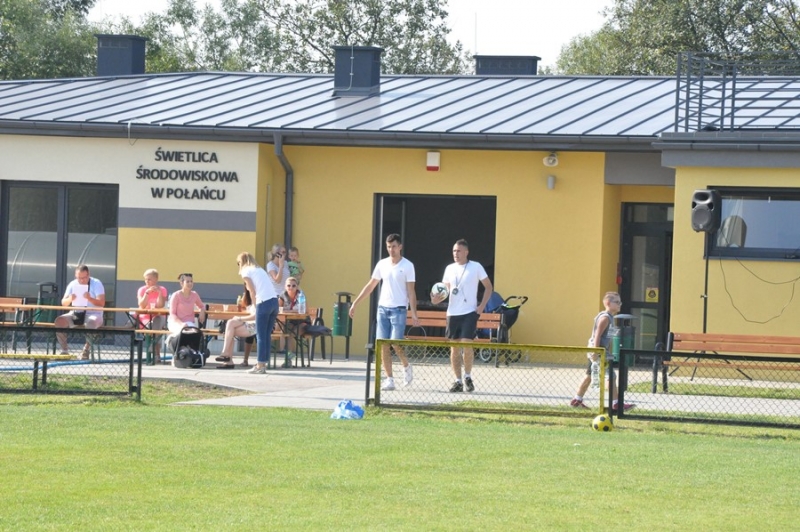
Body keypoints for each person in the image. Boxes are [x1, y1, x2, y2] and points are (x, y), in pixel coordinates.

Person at [349, 233, 419, 391]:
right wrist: (356, 303)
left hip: (399, 309)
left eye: (394, 246)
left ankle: (406, 366)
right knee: (382, 345)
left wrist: (414, 313)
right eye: (388, 247)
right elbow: (371, 285)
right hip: (382, 308)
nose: (391, 250)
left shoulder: (408, 265)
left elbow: (411, 291)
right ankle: (389, 379)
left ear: (400, 247)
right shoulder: (382, 264)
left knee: (395, 343)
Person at [432, 239, 493, 393]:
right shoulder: (449, 268)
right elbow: (445, 290)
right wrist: (436, 299)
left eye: (459, 251)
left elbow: (488, 287)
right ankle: (458, 380)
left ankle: (468, 376)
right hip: (453, 313)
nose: (456, 254)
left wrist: (481, 307)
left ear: (466, 252)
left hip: (469, 312)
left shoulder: (476, 267)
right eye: (454, 251)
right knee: (454, 348)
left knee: (467, 344)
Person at [569, 291, 635, 413]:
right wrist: (595, 351)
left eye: (620, 302)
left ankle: (577, 400)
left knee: (589, 375)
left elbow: (607, 336)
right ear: (608, 303)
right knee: (611, 376)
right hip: (598, 351)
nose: (619, 304)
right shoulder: (605, 318)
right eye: (617, 302)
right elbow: (597, 335)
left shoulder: (610, 318)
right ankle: (616, 403)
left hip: (601, 350)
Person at [237, 252, 279, 375]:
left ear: (241, 262)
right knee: (266, 335)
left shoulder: (245, 271)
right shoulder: (259, 269)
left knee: (260, 335)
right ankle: (263, 363)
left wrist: (255, 307)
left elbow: (251, 290)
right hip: (274, 302)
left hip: (263, 302)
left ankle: (260, 365)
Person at [55, 264, 106, 359]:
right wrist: (70, 299)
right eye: (79, 278)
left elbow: (102, 303)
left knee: (91, 322)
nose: (82, 280)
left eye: (84, 278)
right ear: (75, 276)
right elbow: (63, 303)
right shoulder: (72, 284)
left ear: (88, 275)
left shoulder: (96, 283)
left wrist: (90, 298)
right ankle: (64, 350)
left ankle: (86, 349)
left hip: (93, 313)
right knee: (59, 321)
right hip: (76, 313)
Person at [215, 286, 256, 369]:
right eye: (246, 285)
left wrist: (240, 318)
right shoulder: (249, 296)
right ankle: (226, 355)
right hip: (248, 323)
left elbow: (256, 316)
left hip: (256, 326)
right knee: (230, 323)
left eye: (248, 284)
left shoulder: (258, 297)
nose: (247, 286)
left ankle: (227, 358)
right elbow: (244, 308)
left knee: (230, 330)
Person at [136, 268, 168, 363]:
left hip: (158, 316)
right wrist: (147, 293)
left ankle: (153, 349)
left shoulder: (162, 289)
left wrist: (159, 293)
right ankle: (156, 353)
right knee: (153, 327)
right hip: (145, 318)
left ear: (156, 279)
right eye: (145, 279)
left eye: (149, 279)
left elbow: (160, 305)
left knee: (157, 321)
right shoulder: (142, 290)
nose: (147, 281)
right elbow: (142, 305)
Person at [278, 276, 311, 367]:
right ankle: (285, 353)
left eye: (293, 285)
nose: (291, 287)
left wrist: (288, 311)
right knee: (284, 330)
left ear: (297, 286)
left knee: (290, 335)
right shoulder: (283, 295)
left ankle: (289, 360)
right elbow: (278, 309)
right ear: (285, 286)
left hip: (302, 322)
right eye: (288, 285)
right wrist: (291, 311)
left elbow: (305, 310)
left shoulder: (301, 295)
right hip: (290, 321)